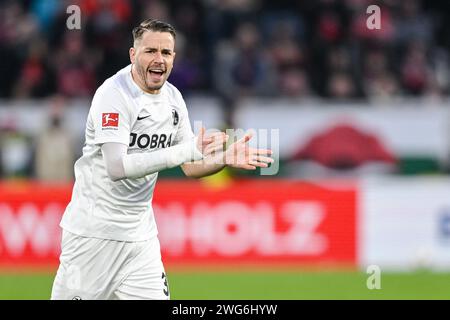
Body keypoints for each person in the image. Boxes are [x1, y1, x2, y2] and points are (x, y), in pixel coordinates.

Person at [50, 18, 273, 300]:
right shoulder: (114, 95)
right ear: (133, 54)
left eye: (166, 53)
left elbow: (191, 167)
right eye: (150, 51)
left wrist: (224, 158)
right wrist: (187, 150)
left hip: (141, 240)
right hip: (93, 237)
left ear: (174, 57)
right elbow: (116, 168)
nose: (159, 60)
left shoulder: (173, 99)